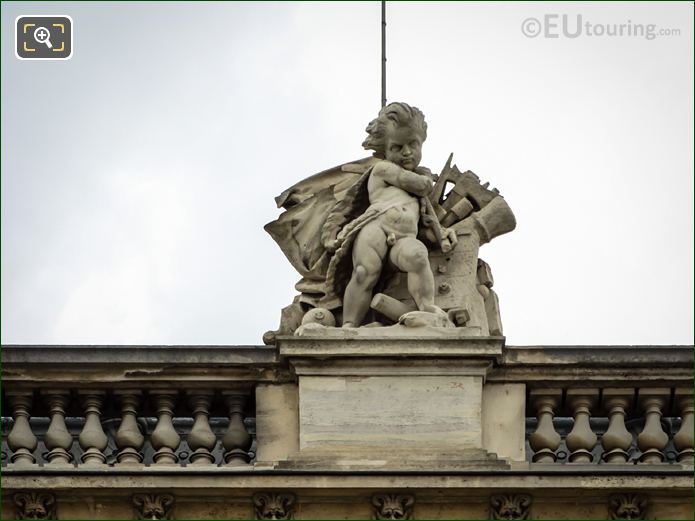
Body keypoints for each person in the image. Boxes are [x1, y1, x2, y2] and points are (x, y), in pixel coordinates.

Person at [336, 102, 457, 327]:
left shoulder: (419, 197)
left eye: (413, 144)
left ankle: (426, 307)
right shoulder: (383, 170)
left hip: (404, 237)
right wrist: (425, 178)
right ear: (385, 150)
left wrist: (442, 232)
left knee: (418, 256)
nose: (407, 152)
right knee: (364, 272)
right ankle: (349, 324)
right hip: (376, 228)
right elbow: (419, 184)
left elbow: (424, 226)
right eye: (397, 147)